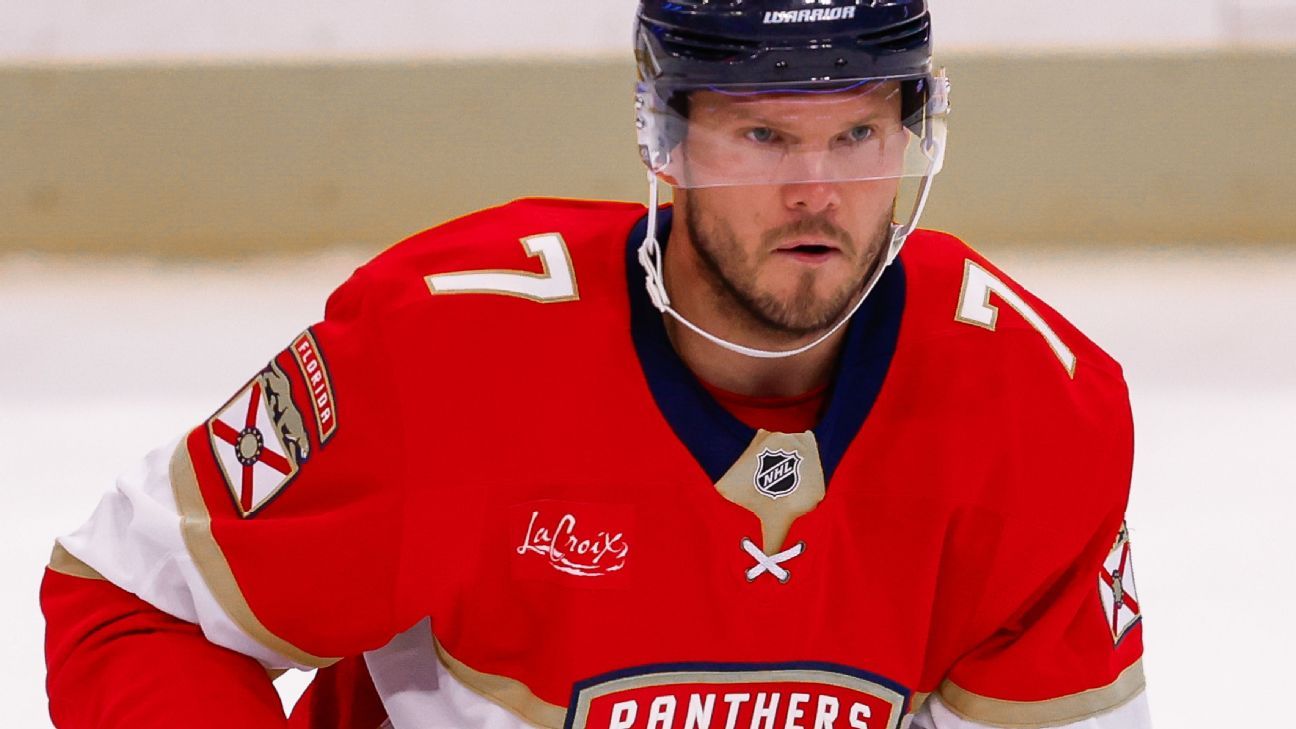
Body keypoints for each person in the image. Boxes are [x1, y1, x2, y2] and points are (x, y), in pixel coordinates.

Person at [41, 2, 1151, 728]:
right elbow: (132, 601)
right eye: (763, 137)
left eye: (856, 135)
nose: (816, 192)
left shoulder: (1035, 406)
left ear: (914, 133)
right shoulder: (449, 356)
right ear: (665, 137)